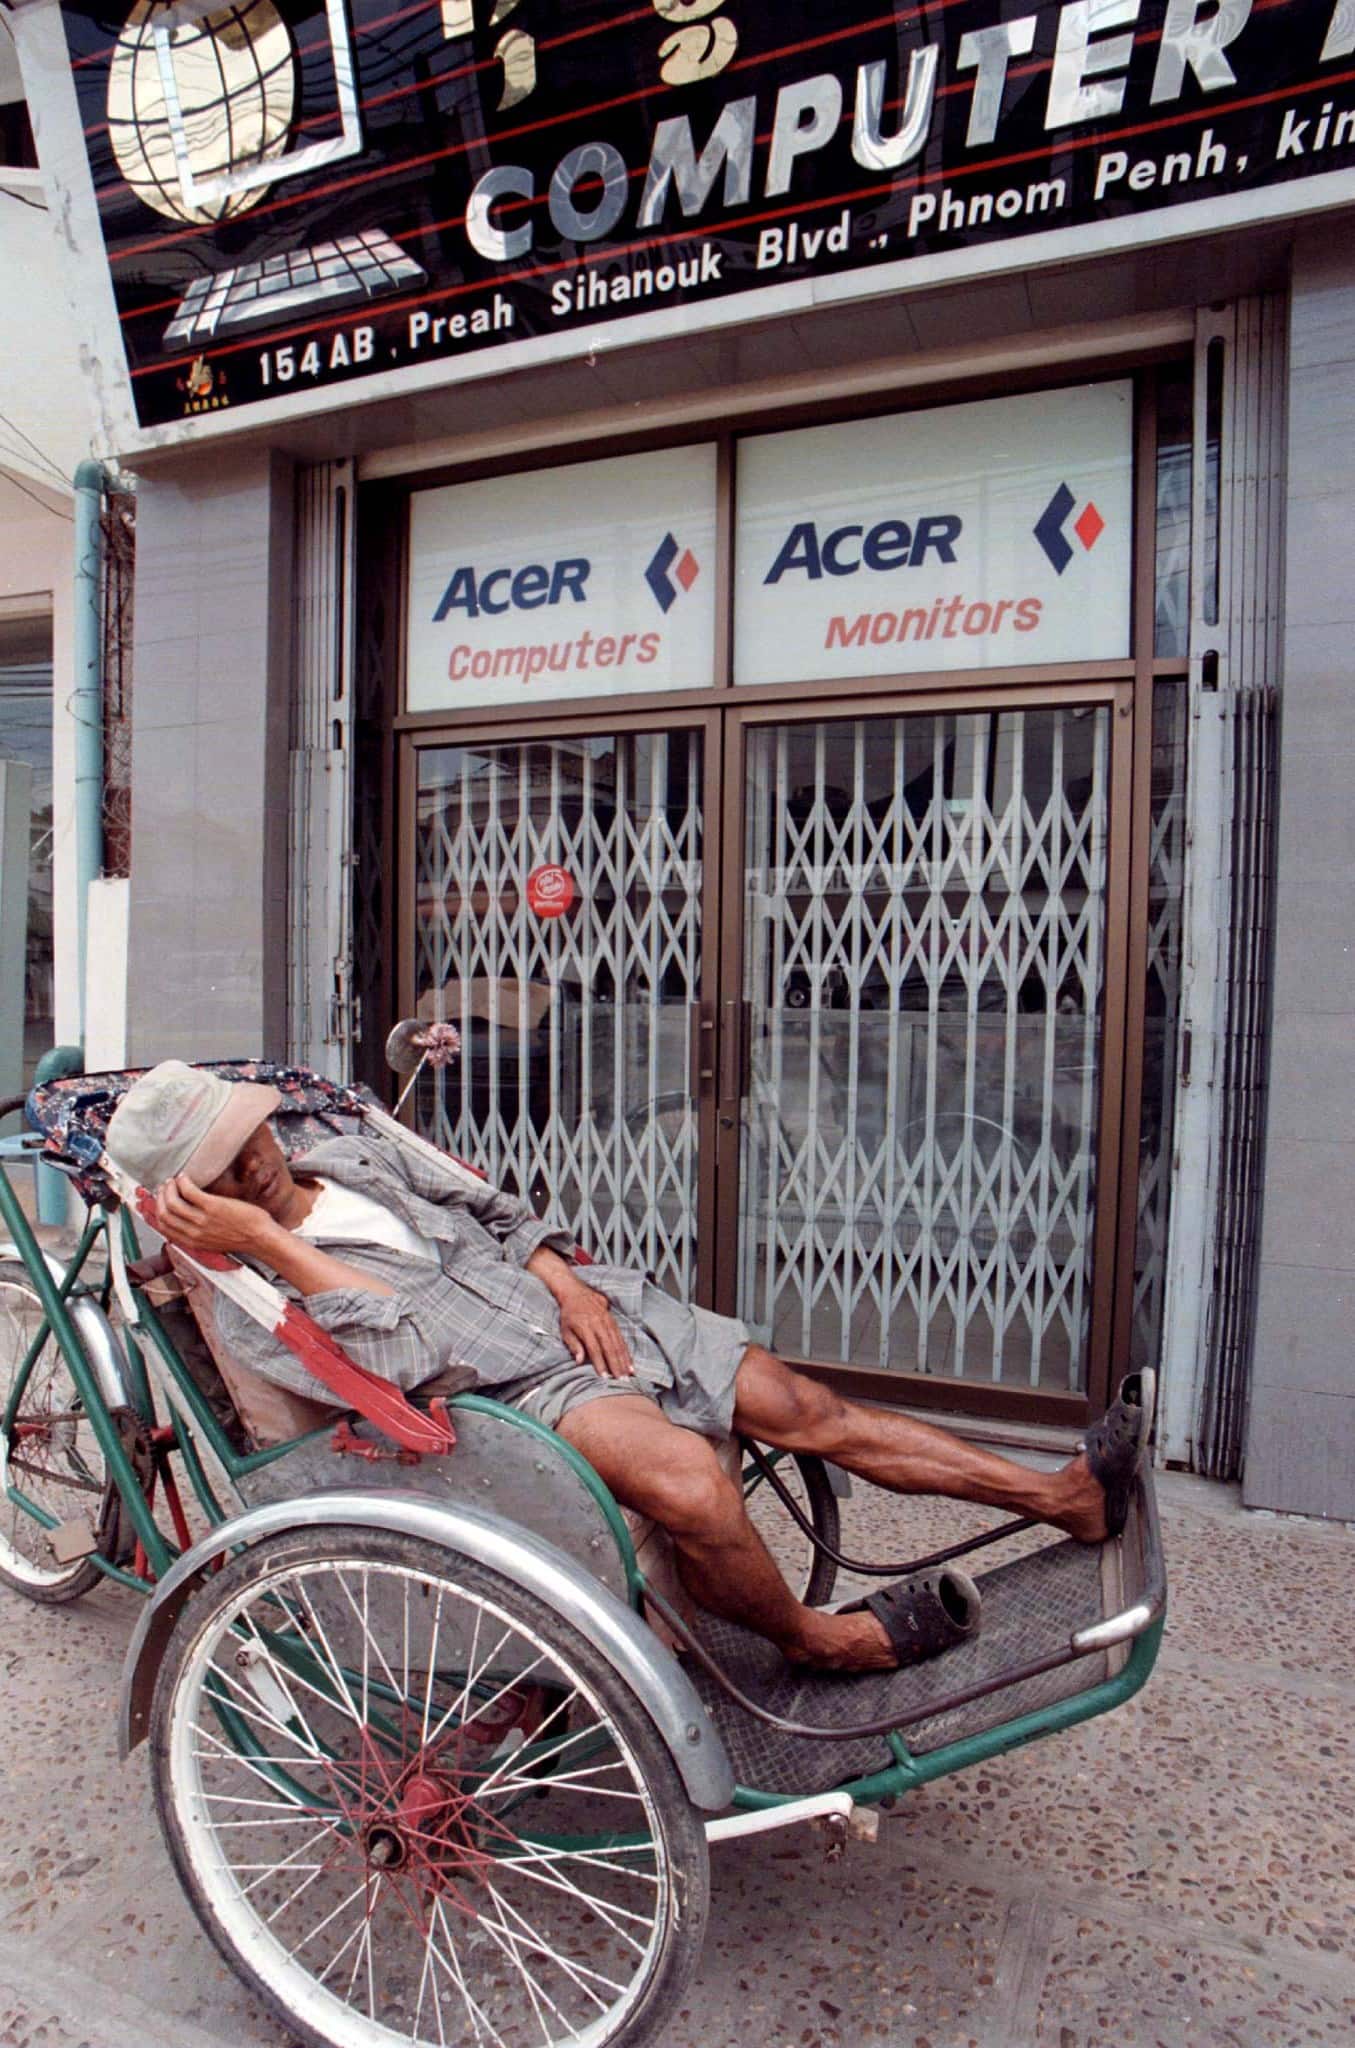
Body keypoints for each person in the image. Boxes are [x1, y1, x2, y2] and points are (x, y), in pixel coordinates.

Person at [105, 1061, 1152, 1675]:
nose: (258, 1157)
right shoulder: (254, 1298)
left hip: (590, 1316)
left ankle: (1058, 1497)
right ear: (194, 1197)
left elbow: (499, 1211)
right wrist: (270, 1240)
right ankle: (811, 1638)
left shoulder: (350, 1155)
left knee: (803, 1403)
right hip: (513, 1397)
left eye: (249, 1134)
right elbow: (405, 1352)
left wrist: (568, 1283)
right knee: (691, 1480)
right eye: (225, 1165)